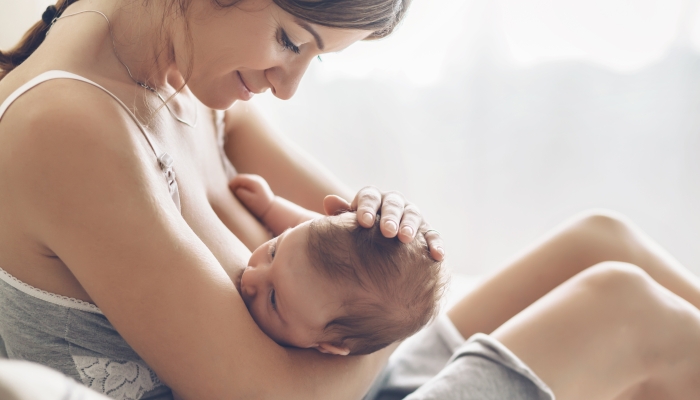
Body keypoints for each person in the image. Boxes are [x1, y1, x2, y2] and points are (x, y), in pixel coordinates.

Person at [0, 0, 699, 399]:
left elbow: (370, 252)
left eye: (315, 58)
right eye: (288, 40)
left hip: (356, 382)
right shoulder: (69, 128)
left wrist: (396, 246)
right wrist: (391, 313)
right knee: (625, 313)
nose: (287, 86)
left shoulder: (190, 78)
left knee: (600, 240)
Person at [230, 174, 445, 356]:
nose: (249, 277)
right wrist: (270, 207)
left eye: (273, 298)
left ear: (332, 346)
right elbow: (302, 227)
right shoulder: (315, 295)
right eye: (273, 251)